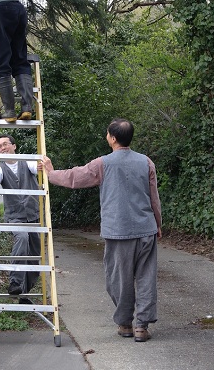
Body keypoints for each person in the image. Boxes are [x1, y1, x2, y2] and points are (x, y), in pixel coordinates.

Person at [41, 118, 162, 343]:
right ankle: (142, 327)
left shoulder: (103, 164)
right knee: (146, 278)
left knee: (119, 279)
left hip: (118, 231)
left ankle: (125, 323)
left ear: (113, 138)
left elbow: (76, 177)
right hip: (146, 229)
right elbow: (154, 196)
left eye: (108, 134)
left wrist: (50, 173)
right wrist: (158, 224)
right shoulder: (146, 162)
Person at [0, 134, 40, 300]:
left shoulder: (27, 162)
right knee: (22, 237)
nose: (2, 148)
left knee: (34, 256)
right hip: (15, 217)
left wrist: (41, 166)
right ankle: (15, 282)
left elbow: (36, 166)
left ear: (14, 146)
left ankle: (23, 292)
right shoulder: (0, 168)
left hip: (32, 215)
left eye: (5, 144)